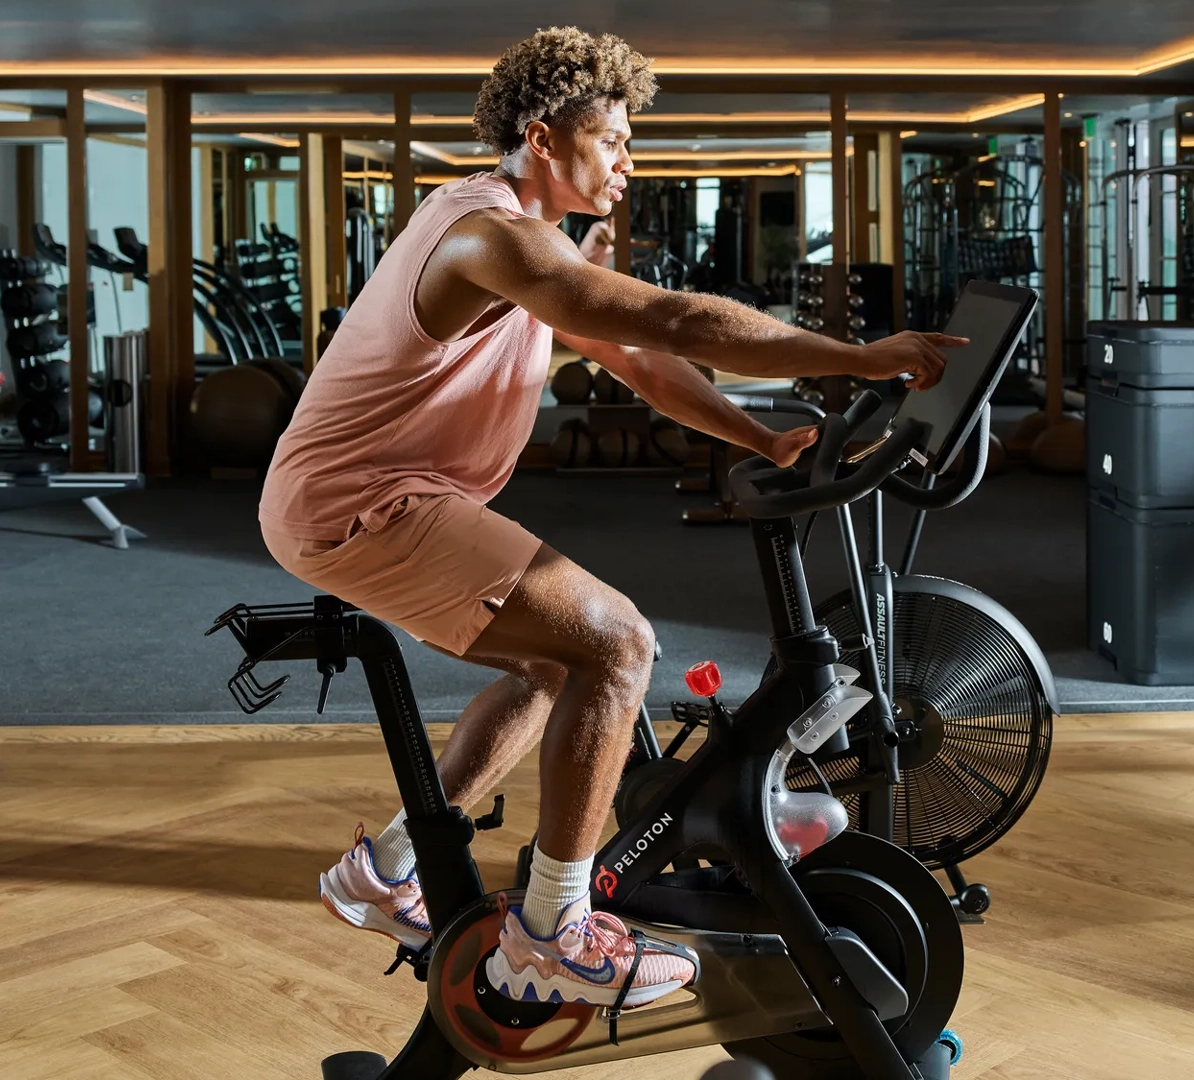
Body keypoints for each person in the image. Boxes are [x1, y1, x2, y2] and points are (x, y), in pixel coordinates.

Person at [258, 26, 962, 1010]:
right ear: (544, 139)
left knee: (557, 666)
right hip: (359, 503)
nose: (629, 161)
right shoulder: (489, 236)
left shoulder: (531, 240)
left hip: (382, 497)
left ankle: (385, 870)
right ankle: (552, 935)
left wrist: (762, 441)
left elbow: (642, 363)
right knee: (619, 644)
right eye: (613, 140)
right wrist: (858, 356)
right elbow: (672, 319)